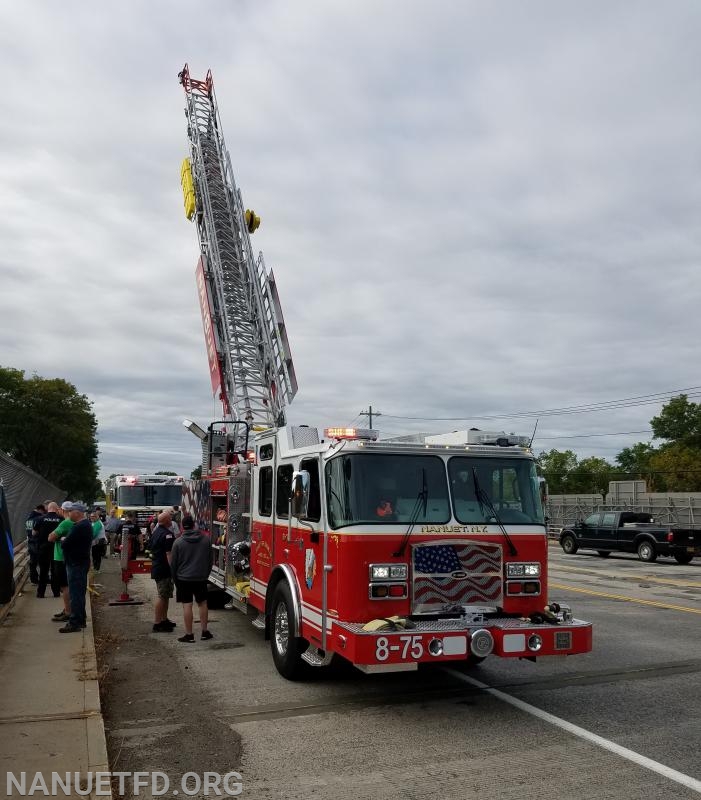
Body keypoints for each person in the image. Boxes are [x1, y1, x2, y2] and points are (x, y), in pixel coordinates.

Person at [169, 514, 212, 643]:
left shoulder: (178, 542)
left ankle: (189, 634)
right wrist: (205, 574)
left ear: (182, 526)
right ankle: (204, 632)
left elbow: (173, 564)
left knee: (187, 605)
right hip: (200, 577)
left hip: (183, 579)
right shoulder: (205, 539)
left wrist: (175, 580)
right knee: (203, 603)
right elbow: (210, 560)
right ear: (194, 525)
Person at [57, 503, 93, 633]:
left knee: (76, 594)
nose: (68, 513)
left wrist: (63, 540)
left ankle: (75, 622)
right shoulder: (85, 525)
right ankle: (80, 619)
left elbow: (66, 544)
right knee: (79, 592)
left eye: (70, 511)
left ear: (77, 513)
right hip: (80, 562)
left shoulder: (79, 527)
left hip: (76, 564)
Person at [47, 502, 75, 621]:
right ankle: (68, 608)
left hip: (60, 557)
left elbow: (51, 537)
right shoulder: (75, 522)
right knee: (68, 585)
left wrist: (54, 535)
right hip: (69, 557)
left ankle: (68, 612)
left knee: (64, 586)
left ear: (63, 510)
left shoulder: (65, 523)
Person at [150, 511, 176, 632]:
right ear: (166, 521)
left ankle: (164, 619)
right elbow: (169, 553)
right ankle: (157, 623)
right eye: (170, 518)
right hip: (164, 569)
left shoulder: (155, 533)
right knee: (162, 596)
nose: (171, 520)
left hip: (157, 567)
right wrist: (173, 569)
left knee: (165, 596)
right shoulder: (167, 535)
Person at [32, 503, 61, 598]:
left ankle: (41, 593)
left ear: (47, 509)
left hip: (43, 548)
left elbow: (34, 533)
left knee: (43, 571)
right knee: (55, 571)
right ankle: (56, 592)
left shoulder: (40, 519)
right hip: (56, 548)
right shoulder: (61, 519)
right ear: (56, 509)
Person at [25, 503, 46, 584]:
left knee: (32, 562)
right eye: (43, 511)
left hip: (30, 543)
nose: (44, 513)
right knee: (42, 563)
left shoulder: (28, 519)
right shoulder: (38, 519)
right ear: (40, 510)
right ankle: (43, 579)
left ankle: (33, 579)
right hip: (38, 543)